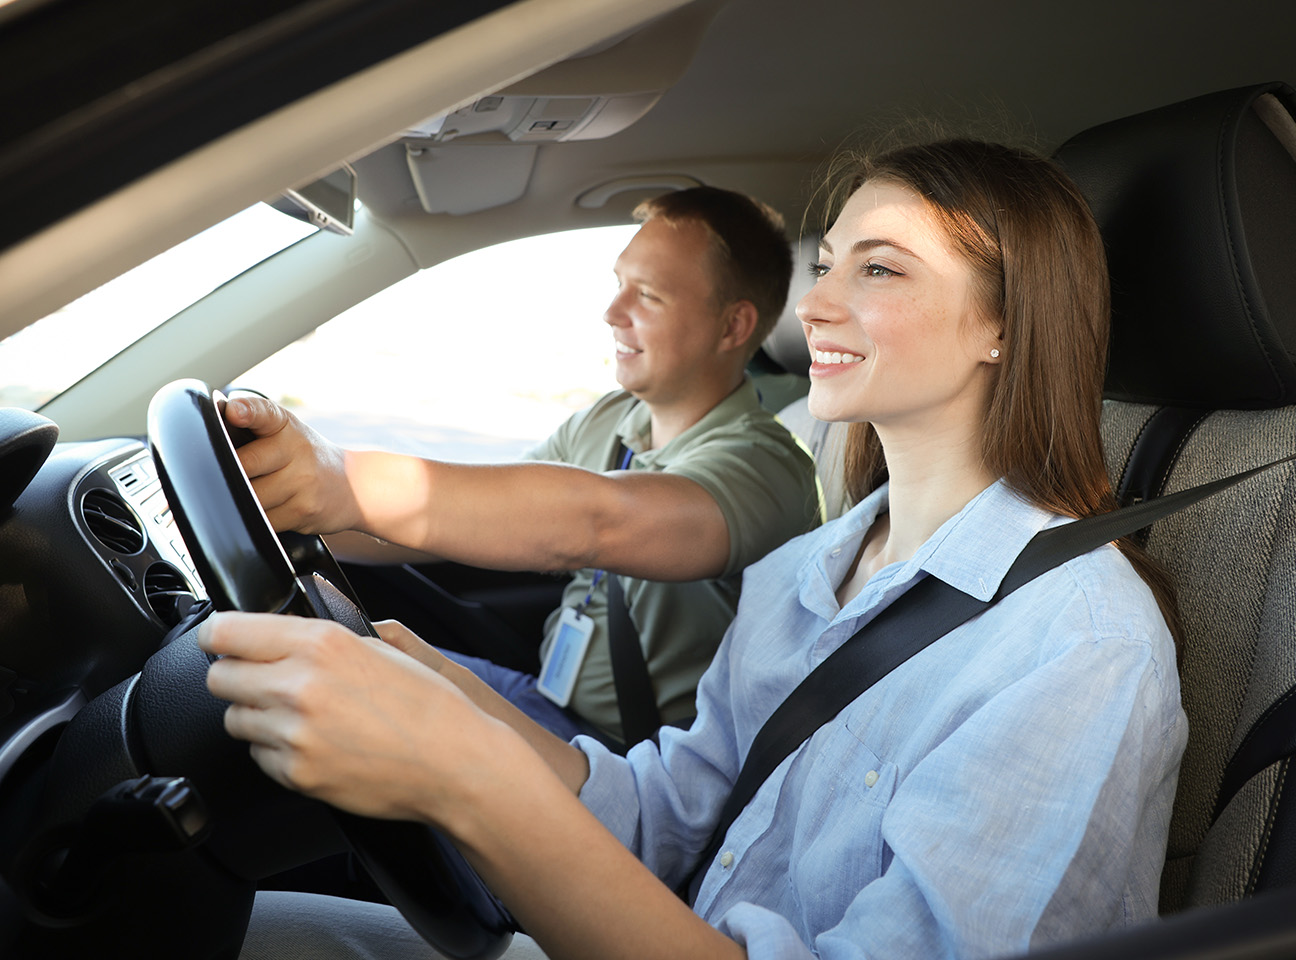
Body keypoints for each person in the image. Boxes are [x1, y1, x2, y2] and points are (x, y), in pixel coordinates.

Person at [207, 139, 1187, 960]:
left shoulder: (1078, 647)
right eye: (830, 261)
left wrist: (467, 776)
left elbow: (595, 517)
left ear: (1006, 329)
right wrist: (449, 700)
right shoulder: (809, 571)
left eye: (878, 268)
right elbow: (671, 810)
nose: (817, 303)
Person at [226, 186, 815, 747]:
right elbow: (483, 514)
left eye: (649, 295)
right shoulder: (611, 419)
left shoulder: (763, 466)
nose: (612, 312)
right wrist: (289, 510)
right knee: (326, 659)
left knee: (312, 698)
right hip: (544, 700)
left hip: (636, 761)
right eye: (618, 285)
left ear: (733, 326)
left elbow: (594, 521)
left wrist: (340, 478)